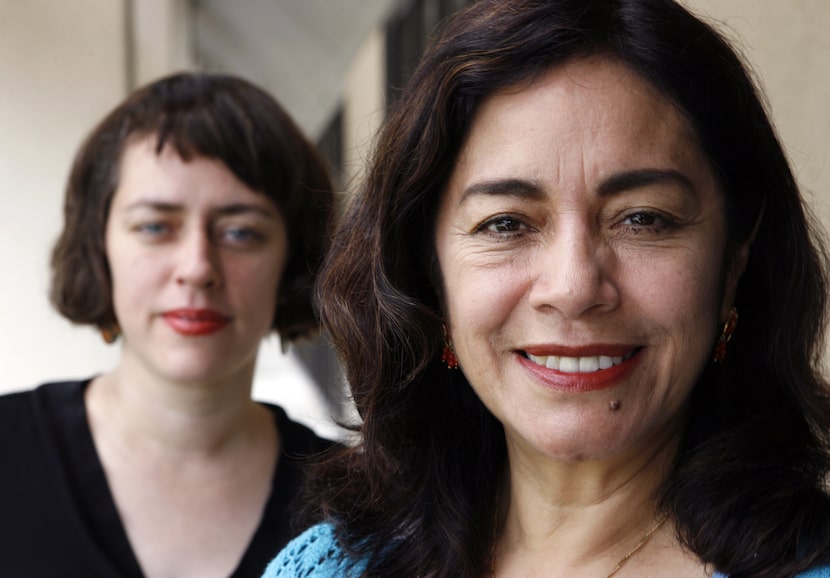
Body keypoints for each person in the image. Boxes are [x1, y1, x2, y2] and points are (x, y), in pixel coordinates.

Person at [262, 0, 830, 577]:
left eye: (643, 219)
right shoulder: (329, 569)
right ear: (429, 275)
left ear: (735, 258)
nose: (574, 287)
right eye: (506, 223)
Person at [0, 72, 337, 577]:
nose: (198, 267)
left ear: (293, 260)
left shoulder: (362, 507)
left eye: (241, 232)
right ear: (99, 247)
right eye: (155, 226)